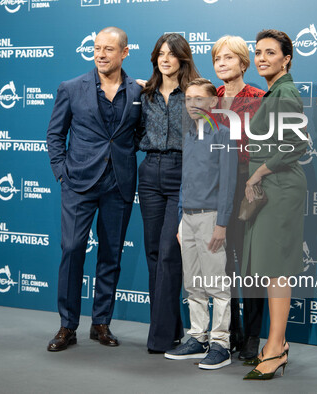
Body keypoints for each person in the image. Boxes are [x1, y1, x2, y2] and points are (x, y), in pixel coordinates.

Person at [45, 26, 142, 351]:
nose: (100, 54)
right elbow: (55, 134)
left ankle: (101, 323)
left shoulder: (138, 91)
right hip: (79, 184)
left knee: (111, 255)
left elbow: (139, 134)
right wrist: (62, 172)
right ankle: (67, 326)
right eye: (97, 48)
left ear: (124, 52)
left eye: (108, 49)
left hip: (119, 184)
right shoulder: (71, 88)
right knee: (72, 250)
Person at [242, 29, 308, 380]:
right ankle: (276, 346)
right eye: (258, 52)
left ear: (287, 59)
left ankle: (275, 347)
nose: (262, 58)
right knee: (271, 269)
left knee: (278, 270)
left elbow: (297, 145)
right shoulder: (275, 92)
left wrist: (258, 173)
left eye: (270, 52)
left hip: (279, 188)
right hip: (271, 187)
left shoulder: (286, 93)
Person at [164, 78, 237, 370]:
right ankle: (197, 337)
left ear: (213, 103)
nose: (193, 104)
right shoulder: (189, 135)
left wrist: (222, 224)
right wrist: (182, 218)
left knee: (216, 284)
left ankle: (221, 344)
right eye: (188, 99)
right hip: (189, 219)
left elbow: (229, 183)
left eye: (199, 99)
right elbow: (185, 181)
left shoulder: (224, 133)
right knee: (193, 283)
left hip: (210, 218)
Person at [138, 33, 200, 354]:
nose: (165, 59)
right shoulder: (144, 94)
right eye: (160, 54)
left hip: (181, 172)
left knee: (168, 253)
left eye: (171, 54)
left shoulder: (194, 93)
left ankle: (159, 338)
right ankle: (172, 328)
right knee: (152, 254)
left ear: (182, 59)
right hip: (148, 173)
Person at [211, 35, 266, 359]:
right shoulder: (210, 99)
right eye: (218, 58)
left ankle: (253, 337)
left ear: (244, 63)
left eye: (229, 58)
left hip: (248, 185)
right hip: (218, 188)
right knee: (223, 264)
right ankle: (231, 331)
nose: (222, 63)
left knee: (249, 264)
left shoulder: (260, 98)